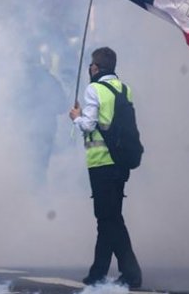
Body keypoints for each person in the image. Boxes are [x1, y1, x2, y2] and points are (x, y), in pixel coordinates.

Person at [69, 47, 142, 287]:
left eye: (91, 64)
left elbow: (89, 125)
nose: (90, 68)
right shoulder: (124, 88)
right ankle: (98, 273)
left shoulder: (94, 89)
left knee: (109, 219)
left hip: (101, 162)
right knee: (108, 218)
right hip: (121, 160)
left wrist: (76, 117)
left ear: (96, 67)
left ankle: (131, 274)